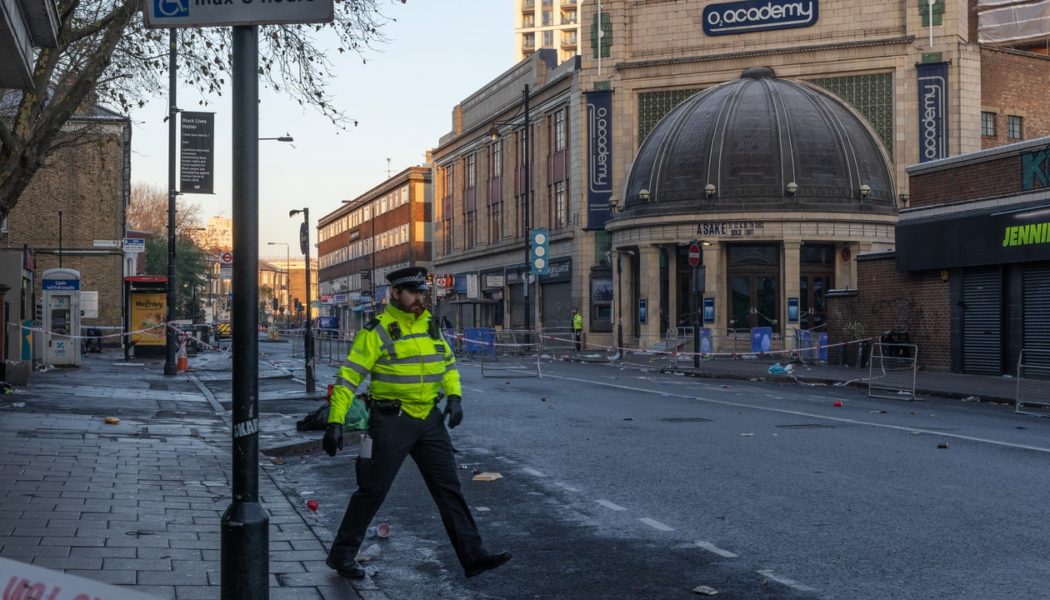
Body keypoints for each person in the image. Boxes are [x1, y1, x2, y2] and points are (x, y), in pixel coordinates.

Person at [323, 266, 511, 580]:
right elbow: (347, 380)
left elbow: (447, 364)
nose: (419, 298)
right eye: (412, 292)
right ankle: (341, 556)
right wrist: (335, 422)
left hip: (429, 419)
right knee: (372, 491)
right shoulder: (377, 331)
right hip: (390, 421)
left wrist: (454, 396)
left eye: (422, 292)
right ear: (394, 293)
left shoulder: (431, 326)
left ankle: (474, 556)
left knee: (449, 489)